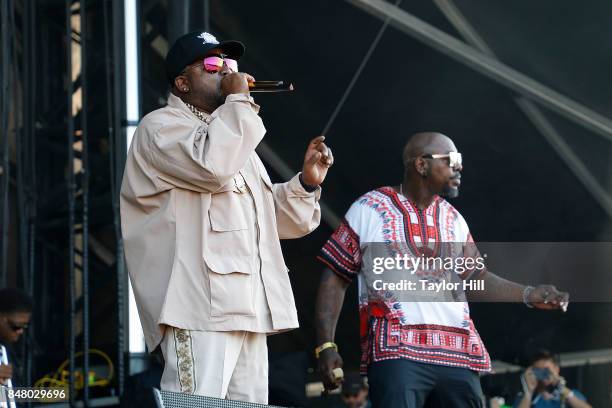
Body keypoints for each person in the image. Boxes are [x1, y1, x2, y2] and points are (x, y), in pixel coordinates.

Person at [120, 31, 333, 404]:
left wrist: (305, 185)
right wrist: (238, 99)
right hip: (196, 306)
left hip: (246, 307)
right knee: (197, 403)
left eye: (229, 65)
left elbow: (272, 220)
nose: (226, 72)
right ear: (182, 83)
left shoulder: (233, 140)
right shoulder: (160, 128)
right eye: (213, 65)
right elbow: (212, 166)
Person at [314, 132, 569, 407]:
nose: (459, 166)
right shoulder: (369, 209)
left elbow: (475, 277)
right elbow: (335, 277)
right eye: (451, 159)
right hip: (398, 352)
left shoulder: (454, 219)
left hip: (458, 354)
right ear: (421, 165)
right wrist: (326, 346)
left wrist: (529, 293)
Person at [514, 350, 591, 408]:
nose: (543, 374)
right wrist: (529, 391)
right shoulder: (526, 398)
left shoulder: (570, 394)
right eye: (538, 371)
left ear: (557, 370)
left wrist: (562, 389)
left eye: (547, 370)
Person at [0, 288, 33, 386]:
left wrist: (55, 393)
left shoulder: (7, 347)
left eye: (25, 326)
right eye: (16, 326)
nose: (21, 331)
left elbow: (12, 394)